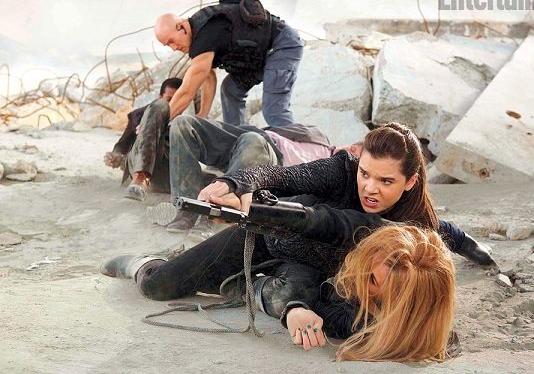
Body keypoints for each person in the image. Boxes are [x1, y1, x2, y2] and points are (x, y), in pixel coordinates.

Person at [101, 123, 495, 321]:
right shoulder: (340, 170)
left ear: (410, 181)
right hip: (270, 237)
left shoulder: (413, 226)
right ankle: (144, 262)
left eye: (386, 181)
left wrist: (482, 257)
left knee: (300, 304)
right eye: (365, 173)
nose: (370, 188)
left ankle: (247, 286)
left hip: (314, 273)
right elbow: (280, 176)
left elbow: (443, 233)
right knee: (159, 286)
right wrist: (235, 183)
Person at [284, 225, 456, 362]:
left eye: (372, 279)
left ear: (399, 307)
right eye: (366, 262)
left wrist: (294, 308)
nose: (356, 275)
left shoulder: (356, 321)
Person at [164, 114, 362, 232]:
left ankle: (209, 212)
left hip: (268, 165)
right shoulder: (318, 135)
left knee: (253, 140)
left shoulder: (332, 178)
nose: (352, 154)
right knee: (184, 123)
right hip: (254, 138)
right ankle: (185, 210)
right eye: (356, 151)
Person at [154, 0, 303, 127]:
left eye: (171, 41)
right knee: (230, 90)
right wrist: (203, 114)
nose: (174, 48)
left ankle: (303, 146)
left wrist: (157, 125)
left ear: (181, 26)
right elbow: (207, 76)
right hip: (259, 57)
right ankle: (239, 139)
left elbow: (186, 92)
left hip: (281, 44)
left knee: (273, 112)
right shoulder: (198, 37)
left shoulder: (206, 33)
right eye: (168, 46)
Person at [104, 78, 183, 200]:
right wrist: (116, 156)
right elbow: (122, 146)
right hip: (139, 164)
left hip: (169, 173)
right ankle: (141, 178)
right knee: (160, 106)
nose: (174, 103)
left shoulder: (187, 120)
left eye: (179, 99)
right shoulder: (141, 115)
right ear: (160, 96)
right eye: (169, 99)